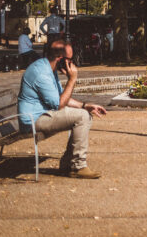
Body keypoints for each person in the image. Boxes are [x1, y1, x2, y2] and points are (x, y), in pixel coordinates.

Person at [18, 39, 107, 179]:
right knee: (82, 117)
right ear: (60, 59)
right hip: (33, 120)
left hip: (43, 114)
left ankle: (68, 165)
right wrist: (72, 79)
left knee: (85, 113)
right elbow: (59, 104)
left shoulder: (49, 68)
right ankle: (77, 166)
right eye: (70, 60)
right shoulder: (41, 73)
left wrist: (85, 105)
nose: (72, 63)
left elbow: (61, 98)